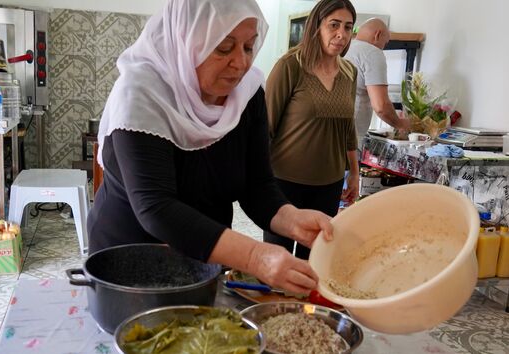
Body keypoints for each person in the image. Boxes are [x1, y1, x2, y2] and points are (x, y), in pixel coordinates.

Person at [87, 0, 333, 294]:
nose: (241, 63)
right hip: (131, 260)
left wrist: (292, 219)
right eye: (224, 48)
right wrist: (256, 256)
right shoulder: (141, 94)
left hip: (204, 257)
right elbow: (157, 208)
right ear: (186, 41)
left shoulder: (247, 94)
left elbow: (257, 186)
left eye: (248, 47)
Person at [264, 0, 358, 259]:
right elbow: (265, 127)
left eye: (348, 27)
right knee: (277, 258)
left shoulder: (350, 72)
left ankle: (307, 301)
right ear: (316, 26)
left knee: (315, 259)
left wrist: (354, 173)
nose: (341, 34)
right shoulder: (289, 66)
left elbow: (348, 129)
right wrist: (255, 180)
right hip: (284, 181)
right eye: (334, 25)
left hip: (329, 183)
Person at [345, 18, 410, 149]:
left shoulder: (346, 48)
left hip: (329, 133)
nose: (383, 47)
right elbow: (381, 106)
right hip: (349, 137)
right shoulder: (372, 52)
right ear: (377, 35)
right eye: (385, 43)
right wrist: (401, 124)